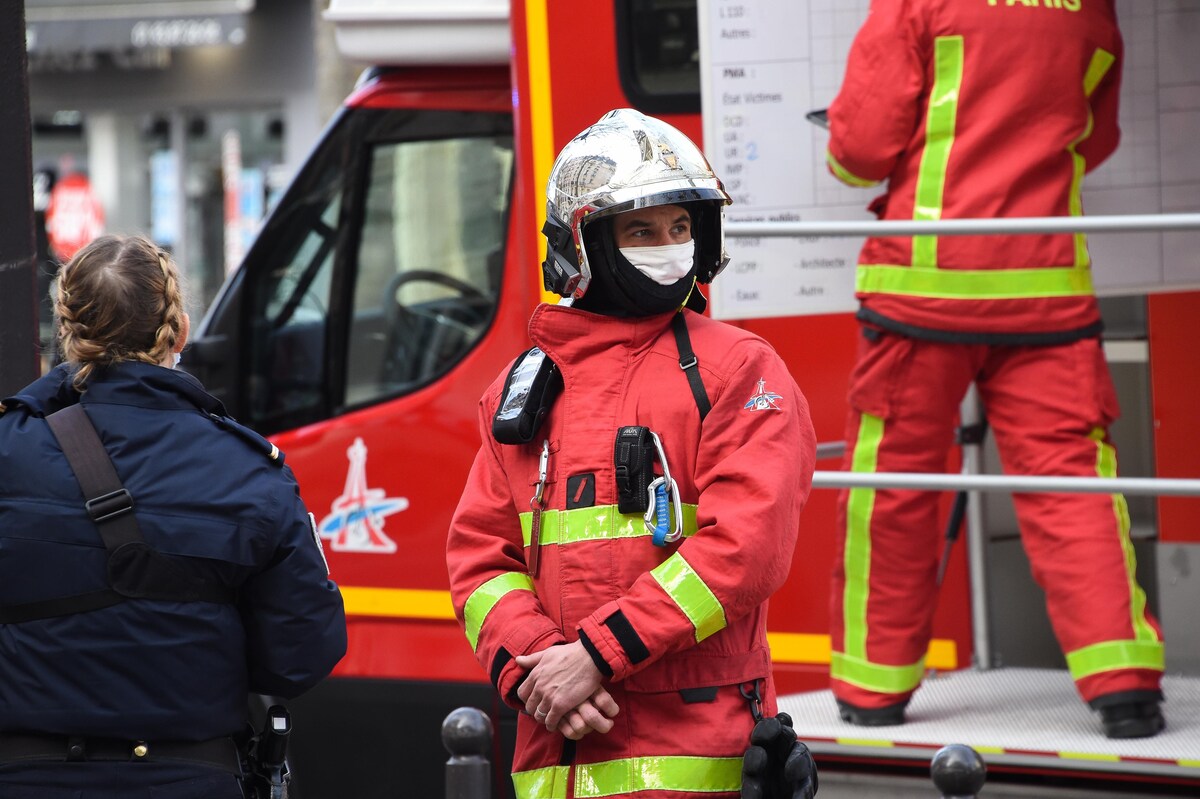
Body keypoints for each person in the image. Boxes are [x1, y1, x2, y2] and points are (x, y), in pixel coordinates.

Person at [446, 109, 818, 798]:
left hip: (700, 758)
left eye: (680, 227)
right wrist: (537, 670)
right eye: (642, 230)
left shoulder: (738, 369)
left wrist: (592, 655)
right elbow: (478, 563)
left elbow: (748, 546)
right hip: (557, 760)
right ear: (584, 245)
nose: (668, 245)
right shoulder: (523, 391)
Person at [824, 0, 1164, 739]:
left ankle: (874, 687)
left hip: (922, 292)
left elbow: (860, 149)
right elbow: (1092, 139)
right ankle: (1125, 687)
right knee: (1071, 481)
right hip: (1046, 289)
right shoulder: (1091, 8)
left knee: (894, 486)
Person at [0, 234, 348, 796]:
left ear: (68, 333)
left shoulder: (8, 452)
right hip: (189, 776)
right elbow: (301, 657)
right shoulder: (248, 469)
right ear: (179, 331)